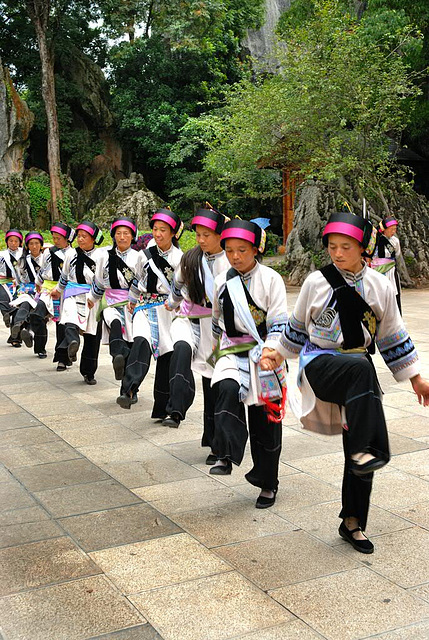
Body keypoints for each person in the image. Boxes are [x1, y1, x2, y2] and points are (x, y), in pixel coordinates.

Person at [261, 211, 429, 552]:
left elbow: (392, 338)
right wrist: (275, 355)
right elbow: (294, 329)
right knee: (361, 372)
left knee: (358, 442)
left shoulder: (381, 286)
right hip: (320, 364)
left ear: (363, 247)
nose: (338, 254)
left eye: (346, 247)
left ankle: (353, 521)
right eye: (333, 247)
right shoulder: (316, 282)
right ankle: (372, 447)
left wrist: (417, 381)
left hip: (358, 375)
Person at [209, 219, 288, 509]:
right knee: (225, 389)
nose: (235, 257)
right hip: (233, 350)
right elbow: (217, 320)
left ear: (256, 249)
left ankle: (268, 482)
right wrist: (212, 353)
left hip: (265, 354)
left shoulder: (271, 279)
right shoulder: (221, 281)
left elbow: (280, 322)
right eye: (229, 251)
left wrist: (270, 351)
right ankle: (226, 455)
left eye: (242, 250)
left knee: (265, 420)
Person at [165, 206, 229, 449]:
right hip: (190, 319)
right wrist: (172, 303)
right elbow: (177, 283)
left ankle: (214, 442)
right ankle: (176, 408)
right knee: (180, 349)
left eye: (206, 235)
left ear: (220, 234)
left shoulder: (230, 261)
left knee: (213, 384)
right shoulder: (191, 258)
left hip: (218, 329)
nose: (201, 240)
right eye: (198, 234)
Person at [117, 208, 183, 416]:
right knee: (140, 341)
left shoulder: (179, 258)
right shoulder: (144, 255)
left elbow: (182, 288)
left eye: (163, 230)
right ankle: (129, 389)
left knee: (166, 357)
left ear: (173, 233)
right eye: (155, 229)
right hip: (144, 306)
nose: (158, 234)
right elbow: (137, 279)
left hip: (167, 310)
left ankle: (163, 409)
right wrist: (131, 300)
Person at [51, 221, 104, 385]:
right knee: (69, 319)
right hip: (72, 293)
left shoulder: (101, 256)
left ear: (93, 238)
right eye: (79, 236)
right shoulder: (70, 254)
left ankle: (88, 372)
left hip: (92, 296)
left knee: (92, 336)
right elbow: (64, 276)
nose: (81, 240)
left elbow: (103, 279)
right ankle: (73, 343)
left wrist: (94, 297)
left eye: (85, 236)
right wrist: (58, 290)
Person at [87, 216, 139, 383]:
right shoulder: (104, 256)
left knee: (131, 341)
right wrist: (92, 299)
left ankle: (128, 383)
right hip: (109, 301)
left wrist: (137, 300)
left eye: (126, 233)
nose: (122, 237)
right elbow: (99, 282)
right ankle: (118, 354)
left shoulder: (139, 258)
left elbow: (143, 283)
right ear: (113, 235)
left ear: (133, 236)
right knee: (113, 322)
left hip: (132, 304)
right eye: (118, 233)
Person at [30, 222, 76, 364]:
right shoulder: (48, 252)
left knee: (61, 325)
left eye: (59, 238)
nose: (55, 241)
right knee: (37, 313)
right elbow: (43, 270)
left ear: (67, 238)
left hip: (66, 289)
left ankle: (63, 358)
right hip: (49, 288)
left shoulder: (74, 254)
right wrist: (38, 282)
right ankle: (30, 329)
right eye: (54, 238)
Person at [9, 232, 44, 350]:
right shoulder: (23, 260)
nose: (34, 246)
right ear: (27, 246)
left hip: (43, 288)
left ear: (41, 244)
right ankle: (22, 327)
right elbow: (19, 278)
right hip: (27, 288)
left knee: (30, 305)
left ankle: (20, 324)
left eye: (37, 243)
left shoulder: (47, 258)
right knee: (26, 301)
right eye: (31, 244)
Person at [371, 216, 402, 313]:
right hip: (378, 272)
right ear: (384, 229)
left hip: (391, 272)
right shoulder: (375, 240)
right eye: (391, 229)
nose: (393, 232)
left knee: (393, 295)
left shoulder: (395, 241)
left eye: (395, 229)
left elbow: (397, 254)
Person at [0, 229, 23, 347]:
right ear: (7, 242)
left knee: (17, 308)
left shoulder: (24, 253)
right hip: (3, 282)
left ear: (20, 242)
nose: (13, 243)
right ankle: (6, 315)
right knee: (3, 300)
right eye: (11, 241)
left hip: (20, 283)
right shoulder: (1, 255)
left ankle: (16, 338)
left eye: (16, 241)